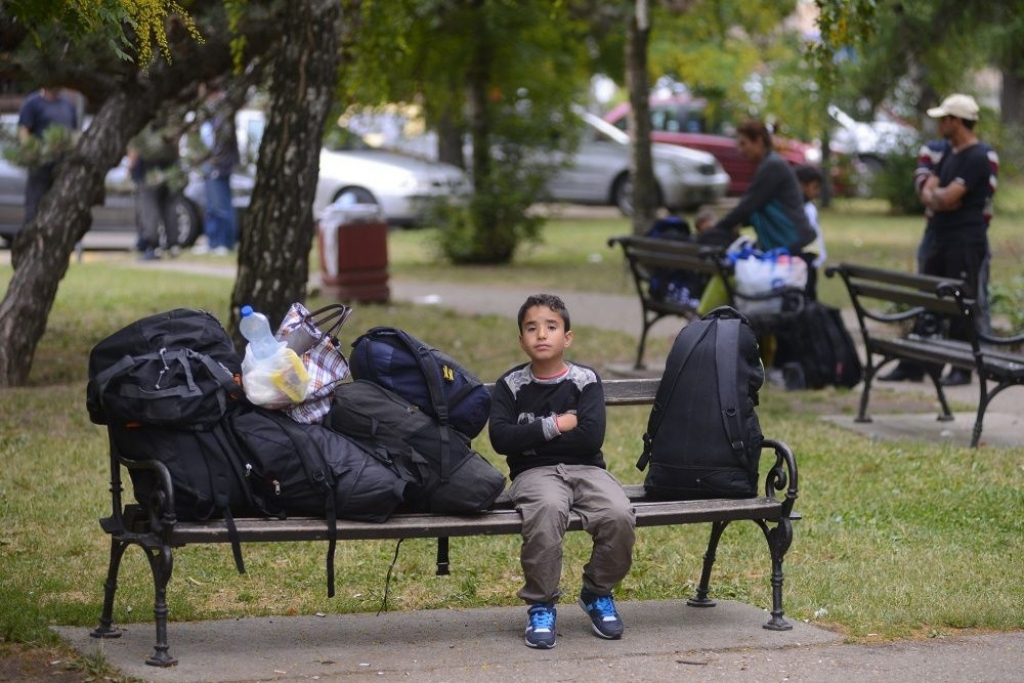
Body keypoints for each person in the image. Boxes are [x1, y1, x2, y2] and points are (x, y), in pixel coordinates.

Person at [488, 294, 636, 650]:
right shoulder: (511, 385)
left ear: (566, 337)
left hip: (588, 469)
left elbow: (589, 438)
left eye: (551, 326)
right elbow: (501, 438)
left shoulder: (585, 380)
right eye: (531, 328)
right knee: (547, 511)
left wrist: (533, 436)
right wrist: (558, 424)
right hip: (534, 474)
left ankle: (597, 592)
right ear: (521, 340)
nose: (541, 334)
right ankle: (541, 604)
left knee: (618, 513)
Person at [880, 94, 998, 386]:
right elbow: (933, 193)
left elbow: (947, 196)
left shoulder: (977, 156)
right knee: (928, 299)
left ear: (956, 121)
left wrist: (940, 197)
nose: (939, 125)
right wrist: (939, 198)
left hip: (965, 241)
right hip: (940, 239)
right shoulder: (948, 153)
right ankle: (920, 364)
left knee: (961, 304)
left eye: (943, 119)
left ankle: (961, 368)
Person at [710, 119, 818, 300]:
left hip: (794, 246)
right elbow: (756, 208)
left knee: (800, 308)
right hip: (785, 246)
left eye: (744, 143)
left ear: (759, 140)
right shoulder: (768, 165)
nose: (740, 149)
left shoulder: (773, 166)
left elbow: (749, 205)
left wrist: (716, 229)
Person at [16, 86, 78, 226]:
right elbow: (24, 131)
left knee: (60, 207)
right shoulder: (33, 103)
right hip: (41, 164)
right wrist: (33, 151)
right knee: (35, 206)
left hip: (62, 165)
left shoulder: (67, 104)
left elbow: (74, 132)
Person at [194, 83, 240, 255]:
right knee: (212, 206)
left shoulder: (223, 111)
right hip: (211, 165)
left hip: (220, 166)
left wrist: (214, 161)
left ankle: (224, 242)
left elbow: (224, 140)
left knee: (221, 205)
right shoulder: (210, 114)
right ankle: (213, 241)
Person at [127, 120, 184, 260]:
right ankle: (172, 245)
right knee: (169, 209)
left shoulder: (142, 124)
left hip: (148, 171)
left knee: (149, 210)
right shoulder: (170, 122)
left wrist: (130, 168)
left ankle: (152, 245)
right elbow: (176, 148)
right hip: (170, 170)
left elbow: (135, 148)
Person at [795, 164, 827, 268]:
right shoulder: (798, 209)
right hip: (801, 260)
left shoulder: (810, 208)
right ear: (802, 186)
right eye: (815, 187)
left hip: (811, 260)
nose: (817, 192)